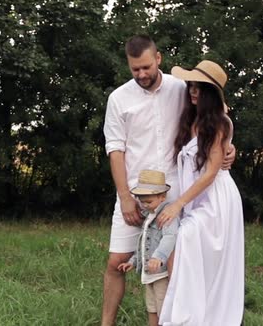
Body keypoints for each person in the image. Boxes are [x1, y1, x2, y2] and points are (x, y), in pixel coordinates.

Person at [101, 35, 236, 326]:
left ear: (158, 59)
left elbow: (217, 117)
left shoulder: (181, 89)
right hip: (134, 190)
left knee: (174, 263)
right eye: (135, 69)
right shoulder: (118, 99)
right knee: (116, 262)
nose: (141, 74)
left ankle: (172, 319)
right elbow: (115, 150)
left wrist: (230, 149)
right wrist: (124, 196)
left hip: (177, 190)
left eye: (146, 67)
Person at [157, 60, 245, 325]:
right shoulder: (192, 120)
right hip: (195, 199)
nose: (193, 91)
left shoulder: (218, 123)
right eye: (191, 86)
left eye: (199, 88)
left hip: (216, 199)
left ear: (210, 94)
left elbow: (210, 173)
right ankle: (192, 310)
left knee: (185, 238)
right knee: (192, 251)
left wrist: (177, 205)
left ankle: (196, 315)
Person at [116, 169, 179, 326]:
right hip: (149, 275)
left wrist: (159, 257)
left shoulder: (167, 214)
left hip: (160, 274)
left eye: (148, 202)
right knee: (151, 308)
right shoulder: (149, 215)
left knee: (162, 308)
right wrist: (133, 261)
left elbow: (170, 237)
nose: (144, 205)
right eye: (142, 201)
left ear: (162, 197)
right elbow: (144, 243)